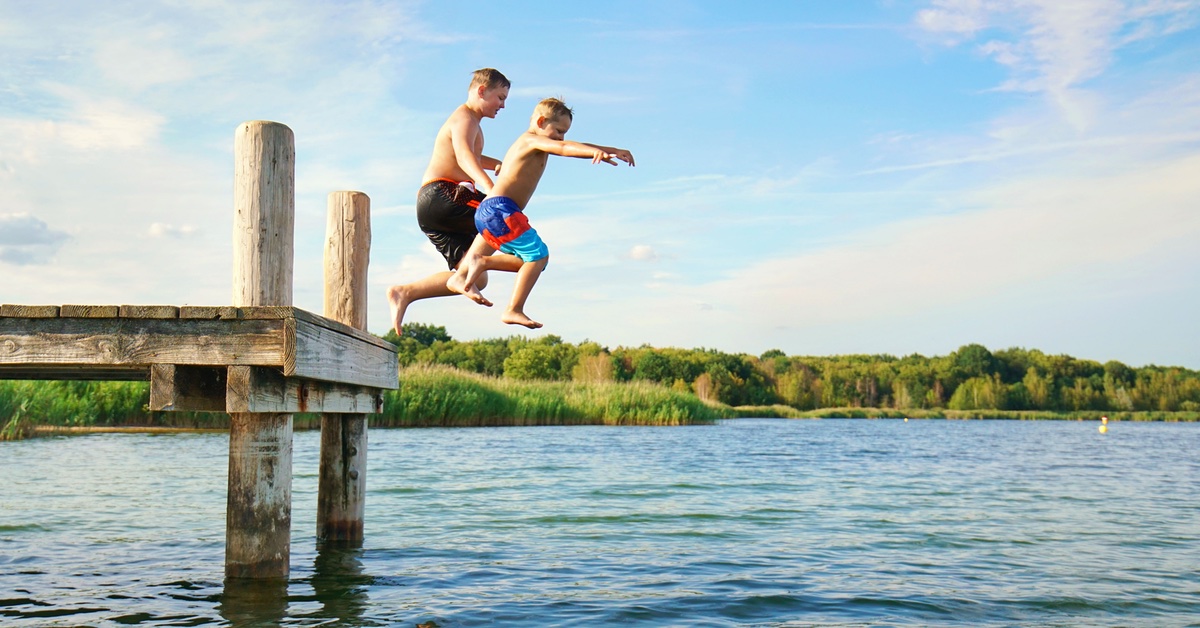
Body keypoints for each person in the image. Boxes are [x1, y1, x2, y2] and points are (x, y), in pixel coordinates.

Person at [446, 97, 634, 329]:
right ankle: (511, 307)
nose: (561, 138)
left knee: (529, 261)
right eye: (558, 131)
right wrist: (593, 153)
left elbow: (571, 143)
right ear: (541, 121)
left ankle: (463, 274)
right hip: (501, 210)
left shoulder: (536, 143)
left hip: (494, 212)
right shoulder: (530, 141)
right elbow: (565, 148)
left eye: (564, 133)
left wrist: (611, 150)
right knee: (539, 256)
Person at [386, 68, 525, 334]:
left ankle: (405, 292)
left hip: (433, 209)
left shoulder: (470, 123)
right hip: (444, 194)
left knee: (477, 277)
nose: (503, 105)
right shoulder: (465, 117)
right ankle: (529, 267)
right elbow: (463, 157)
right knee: (503, 218)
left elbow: (467, 155)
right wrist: (490, 189)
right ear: (482, 91)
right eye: (500, 97)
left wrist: (498, 164)